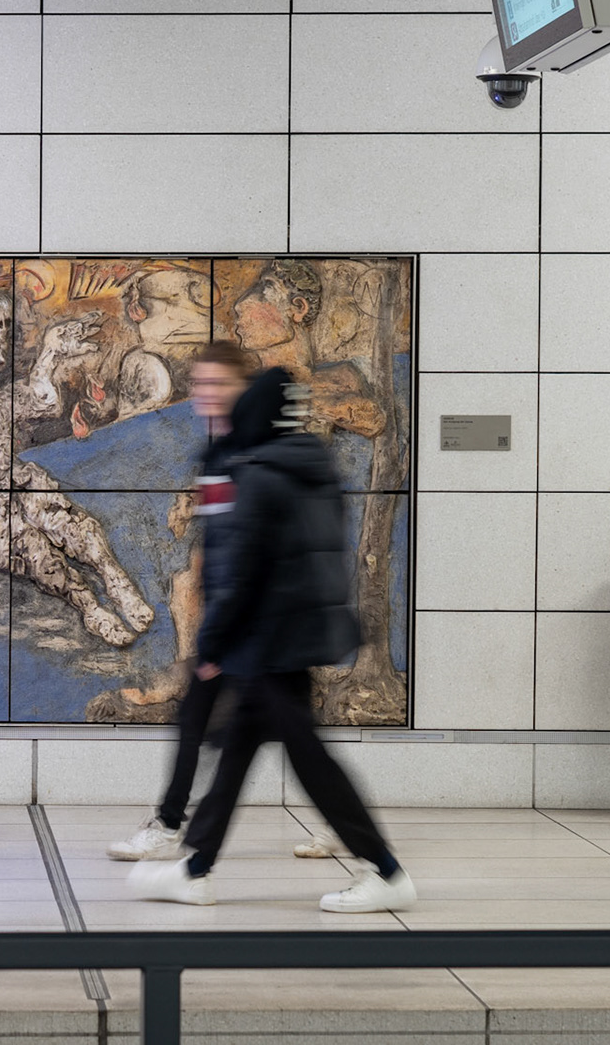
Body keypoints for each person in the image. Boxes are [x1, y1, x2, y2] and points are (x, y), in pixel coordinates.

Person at [127, 368, 416, 913]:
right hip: (291, 636)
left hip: (267, 641)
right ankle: (195, 867)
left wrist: (209, 649)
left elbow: (235, 575)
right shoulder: (310, 467)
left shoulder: (255, 475)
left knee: (309, 759)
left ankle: (384, 868)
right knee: (238, 746)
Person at [107, 345, 339, 865]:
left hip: (258, 621)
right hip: (243, 619)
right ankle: (190, 839)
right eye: (200, 385)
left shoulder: (248, 450)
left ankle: (175, 831)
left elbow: (252, 544)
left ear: (243, 389)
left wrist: (218, 628)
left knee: (226, 724)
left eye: (219, 385)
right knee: (261, 729)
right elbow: (222, 540)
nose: (206, 396)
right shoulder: (220, 450)